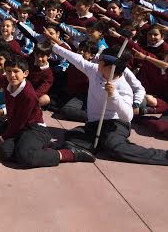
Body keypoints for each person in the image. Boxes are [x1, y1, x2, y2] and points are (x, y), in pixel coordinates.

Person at [45, 30, 168, 166]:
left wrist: (114, 95)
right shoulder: (94, 70)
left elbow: (127, 116)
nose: (97, 62)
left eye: (101, 62)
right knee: (72, 135)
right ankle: (87, 148)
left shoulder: (123, 88)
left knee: (114, 147)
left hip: (116, 124)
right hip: (94, 123)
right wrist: (54, 47)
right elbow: (76, 58)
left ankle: (164, 157)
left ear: (111, 68)